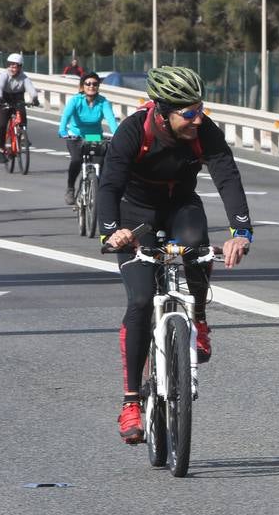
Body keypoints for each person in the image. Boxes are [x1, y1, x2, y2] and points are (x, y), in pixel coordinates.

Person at [97, 65, 253, 444]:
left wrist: (240, 232)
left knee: (198, 251)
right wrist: (111, 230)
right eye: (188, 112)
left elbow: (227, 176)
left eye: (200, 109)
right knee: (139, 301)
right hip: (136, 215)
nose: (198, 119)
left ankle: (197, 318)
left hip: (182, 206)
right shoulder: (133, 131)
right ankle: (131, 401)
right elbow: (109, 185)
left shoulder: (205, 131)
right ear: (164, 110)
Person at [58, 72, 119, 205]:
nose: (91, 86)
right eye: (88, 83)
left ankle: (100, 191)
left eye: (95, 84)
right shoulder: (75, 100)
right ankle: (70, 188)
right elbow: (65, 116)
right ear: (82, 86)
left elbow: (111, 119)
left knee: (103, 162)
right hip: (76, 135)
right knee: (76, 160)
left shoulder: (103, 102)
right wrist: (62, 130)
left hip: (94, 135)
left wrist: (118, 134)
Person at [0, 52, 39, 162]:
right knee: (2, 125)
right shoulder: (4, 75)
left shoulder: (24, 77)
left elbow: (31, 89)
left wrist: (35, 99)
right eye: (10, 64)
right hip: (4, 99)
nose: (12, 67)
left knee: (22, 113)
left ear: (20, 66)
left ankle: (22, 136)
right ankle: (1, 149)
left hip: (18, 99)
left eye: (16, 65)